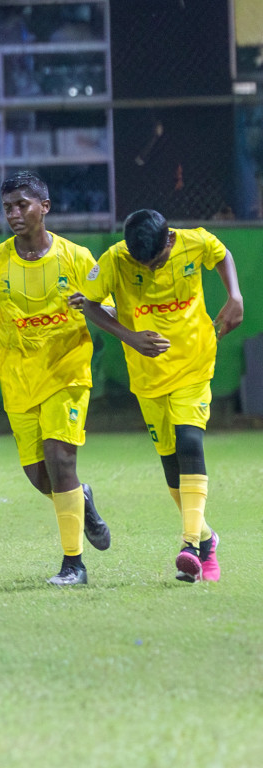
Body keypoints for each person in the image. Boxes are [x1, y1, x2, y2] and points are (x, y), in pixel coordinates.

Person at [72, 209, 242, 582]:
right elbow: (90, 304)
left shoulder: (193, 241)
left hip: (195, 363)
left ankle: (189, 546)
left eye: (156, 261)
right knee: (171, 465)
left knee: (189, 443)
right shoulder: (116, 258)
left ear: (169, 240)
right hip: (148, 375)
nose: (148, 269)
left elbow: (222, 254)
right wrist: (131, 338)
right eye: (141, 263)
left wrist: (235, 295)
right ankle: (207, 538)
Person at [0, 170, 112, 587]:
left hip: (67, 372)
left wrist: (101, 311)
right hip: (18, 378)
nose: (14, 213)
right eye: (7, 206)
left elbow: (110, 309)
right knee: (39, 476)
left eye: (22, 204)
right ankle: (81, 500)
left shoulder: (77, 258)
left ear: (44, 207)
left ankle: (73, 564)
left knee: (61, 460)